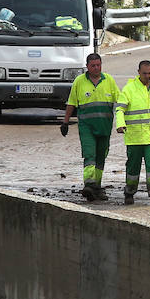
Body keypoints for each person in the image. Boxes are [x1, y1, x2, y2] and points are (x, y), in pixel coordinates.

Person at [61, 53, 119, 201]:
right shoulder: (79, 82)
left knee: (101, 157)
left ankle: (97, 187)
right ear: (87, 67)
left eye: (98, 65)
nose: (96, 68)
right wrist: (65, 122)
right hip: (86, 127)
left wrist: (125, 121)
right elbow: (71, 102)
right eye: (93, 65)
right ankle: (89, 183)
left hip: (105, 127)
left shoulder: (109, 80)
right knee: (89, 154)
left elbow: (121, 101)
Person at [115, 59, 150, 205]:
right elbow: (120, 109)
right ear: (138, 72)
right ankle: (129, 192)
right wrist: (120, 125)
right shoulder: (129, 88)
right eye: (145, 73)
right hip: (135, 136)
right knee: (133, 167)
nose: (148, 76)